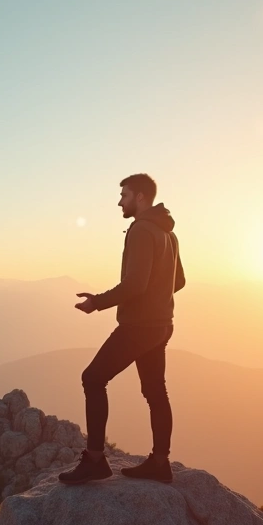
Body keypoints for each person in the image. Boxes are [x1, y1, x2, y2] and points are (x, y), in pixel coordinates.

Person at [60, 174, 186, 485]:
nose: (120, 202)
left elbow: (135, 284)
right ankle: (160, 461)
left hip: (139, 327)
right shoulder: (168, 233)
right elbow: (179, 282)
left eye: (124, 195)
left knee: (92, 378)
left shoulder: (142, 229)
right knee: (156, 391)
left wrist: (97, 302)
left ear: (140, 197)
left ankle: (94, 461)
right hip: (161, 325)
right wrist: (157, 300)